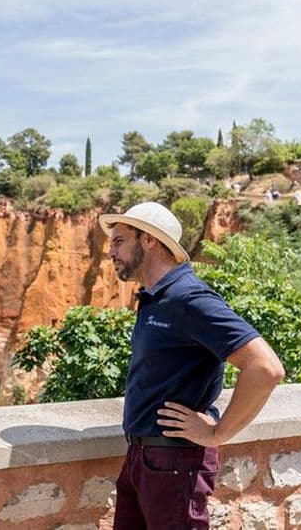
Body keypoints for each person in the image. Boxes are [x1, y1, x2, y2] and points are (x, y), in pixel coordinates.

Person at [99, 202, 284, 529]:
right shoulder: (155, 298)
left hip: (175, 464)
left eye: (118, 241)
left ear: (149, 241)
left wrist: (218, 432)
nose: (110, 251)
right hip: (142, 460)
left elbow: (265, 367)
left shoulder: (189, 298)